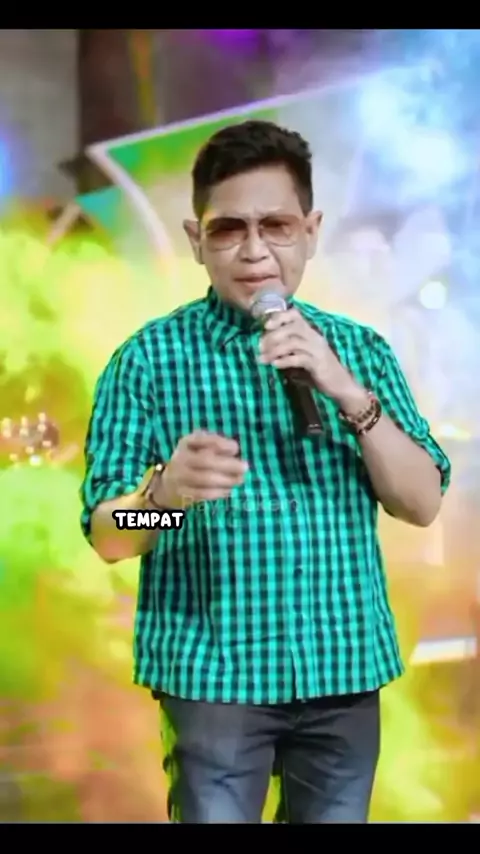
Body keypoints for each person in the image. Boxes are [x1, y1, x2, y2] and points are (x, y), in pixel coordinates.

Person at [80, 119, 451, 823]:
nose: (254, 251)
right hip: (214, 681)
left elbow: (423, 501)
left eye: (276, 226)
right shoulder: (148, 361)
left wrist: (347, 393)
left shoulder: (358, 352)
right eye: (229, 230)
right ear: (197, 240)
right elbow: (110, 537)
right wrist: (166, 495)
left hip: (344, 669)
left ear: (310, 231)